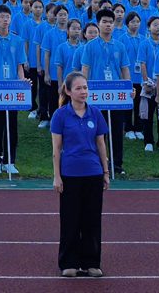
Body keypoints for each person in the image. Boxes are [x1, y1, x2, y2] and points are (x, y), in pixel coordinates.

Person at [51, 71, 108, 277]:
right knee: (70, 219)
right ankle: (69, 262)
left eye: (85, 88)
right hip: (70, 174)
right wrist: (57, 176)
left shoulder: (96, 113)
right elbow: (56, 149)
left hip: (93, 173)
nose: (83, 92)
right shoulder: (60, 115)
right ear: (68, 91)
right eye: (78, 88)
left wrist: (105, 171)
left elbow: (100, 144)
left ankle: (91, 262)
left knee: (92, 219)